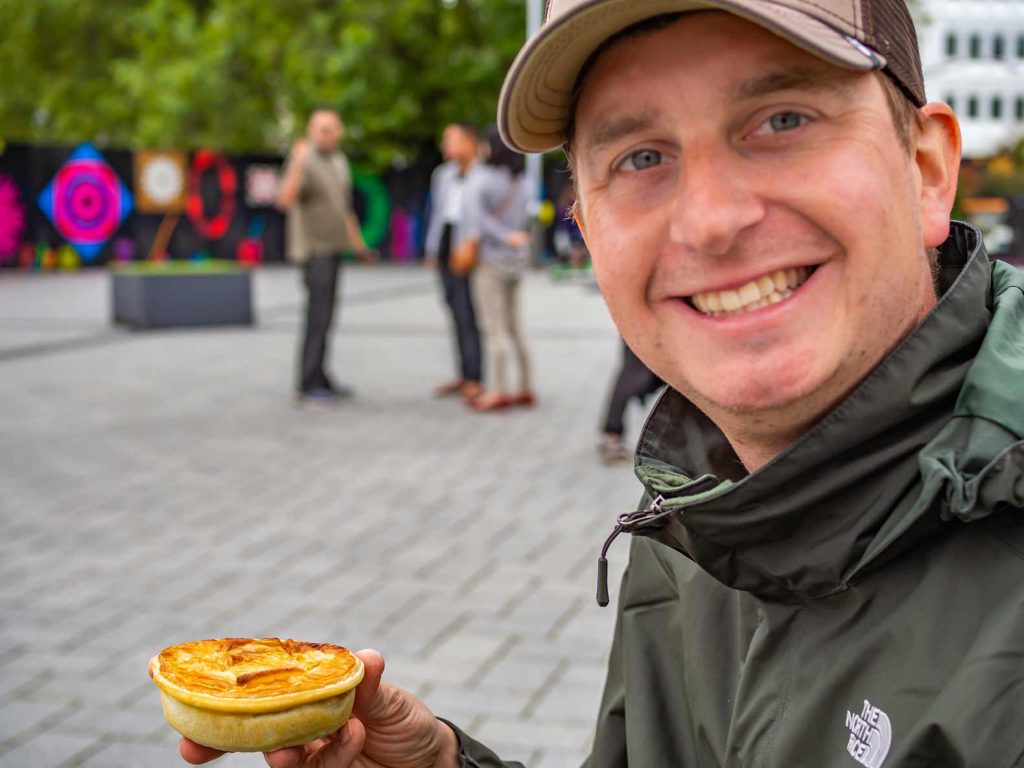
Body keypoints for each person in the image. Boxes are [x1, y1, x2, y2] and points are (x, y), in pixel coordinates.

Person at [179, 0, 1024, 766]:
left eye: (782, 119)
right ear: (585, 227)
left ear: (926, 170)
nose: (711, 219)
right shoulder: (692, 522)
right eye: (642, 155)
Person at [277, 108, 374, 403]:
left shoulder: (339, 161)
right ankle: (307, 381)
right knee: (317, 316)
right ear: (310, 131)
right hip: (313, 250)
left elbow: (343, 208)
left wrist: (358, 246)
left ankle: (321, 374)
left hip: (334, 248)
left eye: (331, 128)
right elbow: (284, 200)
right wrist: (297, 163)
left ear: (340, 131)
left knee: (327, 316)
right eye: (320, 128)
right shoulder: (305, 162)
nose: (326, 134)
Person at [460, 127, 535, 412]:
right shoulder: (522, 180)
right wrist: (514, 237)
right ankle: (526, 386)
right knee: (516, 327)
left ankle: (499, 390)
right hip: (517, 260)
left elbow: (476, 220)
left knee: (494, 328)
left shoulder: (483, 179)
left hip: (491, 259)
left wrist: (503, 236)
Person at [424, 123, 485, 402]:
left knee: (469, 313)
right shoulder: (443, 174)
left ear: (469, 141)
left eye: (452, 139)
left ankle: (475, 376)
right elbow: (437, 214)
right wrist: (432, 249)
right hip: (447, 245)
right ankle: (463, 374)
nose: (446, 145)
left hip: (471, 250)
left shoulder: (484, 174)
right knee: (454, 311)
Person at [597, 339, 661, 462]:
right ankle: (611, 435)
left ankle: (611, 436)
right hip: (648, 328)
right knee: (634, 373)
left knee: (635, 372)